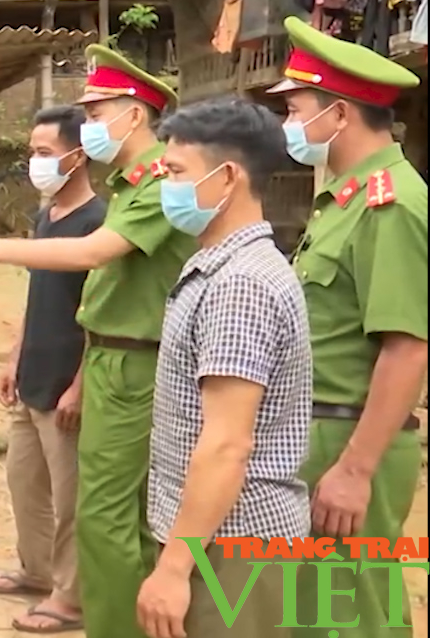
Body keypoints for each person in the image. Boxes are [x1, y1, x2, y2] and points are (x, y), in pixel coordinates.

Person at [0, 44, 196, 638]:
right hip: (106, 359)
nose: (91, 123)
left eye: (98, 110)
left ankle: (88, 607)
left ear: (134, 114)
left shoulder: (154, 185)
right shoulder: (132, 185)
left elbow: (91, 257)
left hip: (133, 365)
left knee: (106, 512)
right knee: (99, 511)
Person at [266, 16, 427, 637]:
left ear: (337, 115)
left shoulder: (392, 204)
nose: (289, 123)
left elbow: (408, 348)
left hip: (349, 439)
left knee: (351, 618)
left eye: (296, 107)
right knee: (315, 615)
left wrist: (356, 469)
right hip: (317, 432)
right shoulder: (344, 197)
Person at [134, 98, 312, 638]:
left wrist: (174, 567)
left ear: (227, 176)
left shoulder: (240, 285)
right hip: (217, 537)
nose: (165, 185)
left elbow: (227, 444)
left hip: (231, 543)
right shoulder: (226, 265)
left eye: (175, 172)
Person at [0, 106, 104, 634]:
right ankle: (36, 571)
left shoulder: (97, 224)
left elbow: (100, 316)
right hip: (33, 375)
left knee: (70, 497)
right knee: (23, 482)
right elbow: (37, 298)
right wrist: (13, 356)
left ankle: (69, 596)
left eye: (43, 153)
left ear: (77, 157)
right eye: (32, 152)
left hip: (65, 387)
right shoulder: (45, 216)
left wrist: (80, 385)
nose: (34, 162)